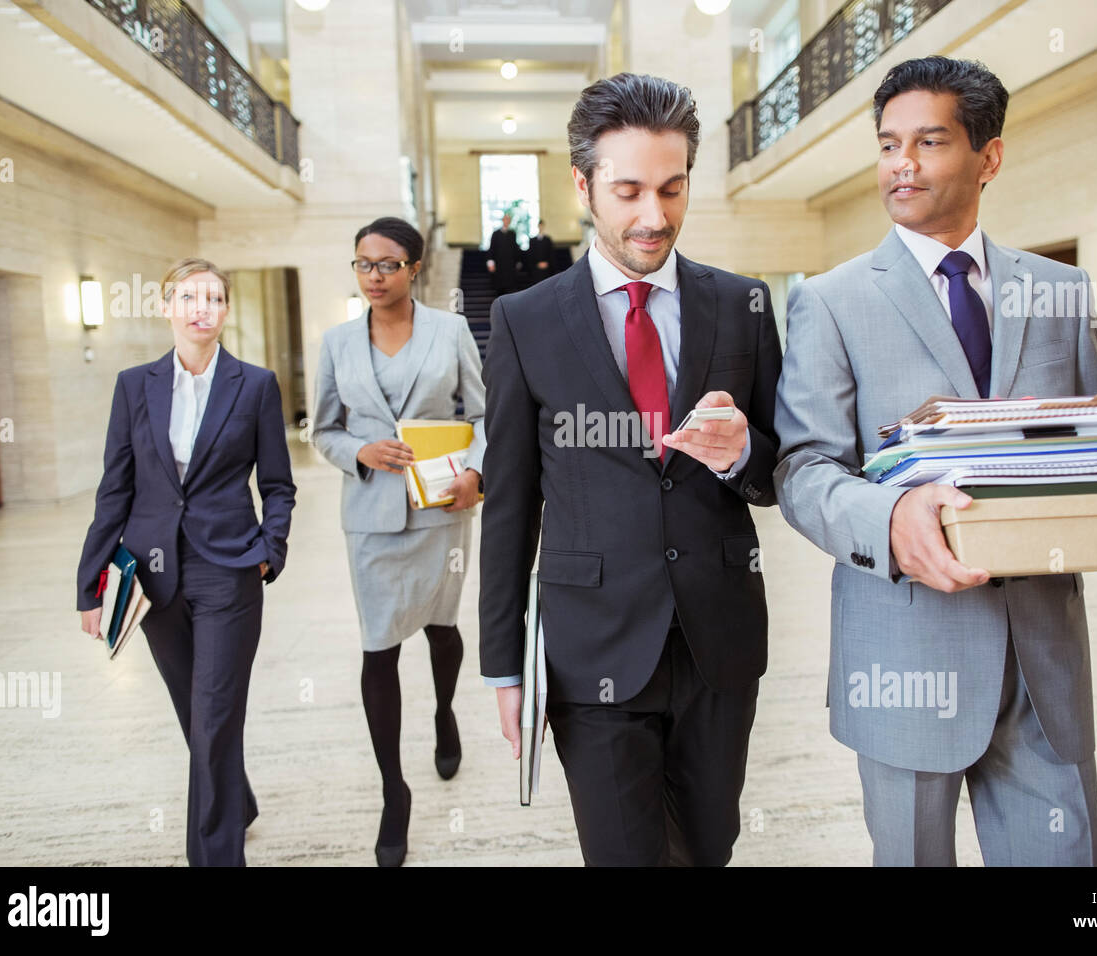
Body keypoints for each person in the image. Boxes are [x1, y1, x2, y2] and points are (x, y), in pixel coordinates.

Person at [773, 55, 1097, 867]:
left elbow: (1089, 447)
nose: (902, 164)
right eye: (889, 144)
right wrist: (890, 517)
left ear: (988, 157)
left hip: (1044, 665)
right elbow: (804, 469)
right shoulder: (831, 299)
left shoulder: (1061, 290)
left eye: (928, 142)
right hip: (904, 662)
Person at [479, 73, 782, 866]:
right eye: (630, 191)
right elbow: (510, 503)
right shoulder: (525, 320)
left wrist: (747, 452)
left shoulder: (742, 305)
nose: (655, 217)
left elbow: (780, 469)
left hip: (718, 640)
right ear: (583, 185)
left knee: (708, 848)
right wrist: (504, 664)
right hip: (593, 647)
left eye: (674, 189)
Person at [76, 257, 295, 867]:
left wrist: (267, 551)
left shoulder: (253, 385)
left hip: (230, 571)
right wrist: (89, 585)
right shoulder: (133, 385)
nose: (202, 308)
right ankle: (238, 800)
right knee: (195, 713)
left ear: (226, 310)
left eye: (214, 298)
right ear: (166, 306)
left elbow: (278, 483)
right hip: (153, 575)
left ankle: (216, 857)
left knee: (216, 715)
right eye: (188, 297)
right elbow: (114, 488)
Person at [312, 216, 485, 867]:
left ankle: (444, 711)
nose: (374, 276)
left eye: (387, 264)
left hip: (441, 509)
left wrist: (477, 471)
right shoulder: (336, 343)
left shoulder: (451, 330)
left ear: (415, 268)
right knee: (378, 647)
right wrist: (361, 449)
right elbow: (323, 429)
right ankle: (394, 789)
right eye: (362, 263)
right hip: (371, 520)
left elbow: (483, 412)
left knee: (442, 626)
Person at [486, 213, 522, 295]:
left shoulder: (512, 234)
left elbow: (515, 249)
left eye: (508, 219)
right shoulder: (496, 234)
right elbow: (491, 249)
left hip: (510, 266)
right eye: (505, 219)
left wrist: (518, 261)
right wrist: (490, 263)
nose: (506, 221)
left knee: (511, 289)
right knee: (499, 288)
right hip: (499, 266)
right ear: (502, 220)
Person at [526, 218, 555, 284]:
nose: (541, 227)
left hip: (546, 268)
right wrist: (537, 264)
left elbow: (551, 254)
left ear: (544, 226)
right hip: (536, 269)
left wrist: (547, 263)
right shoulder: (532, 241)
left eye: (542, 225)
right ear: (538, 226)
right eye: (540, 225)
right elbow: (530, 255)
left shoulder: (548, 240)